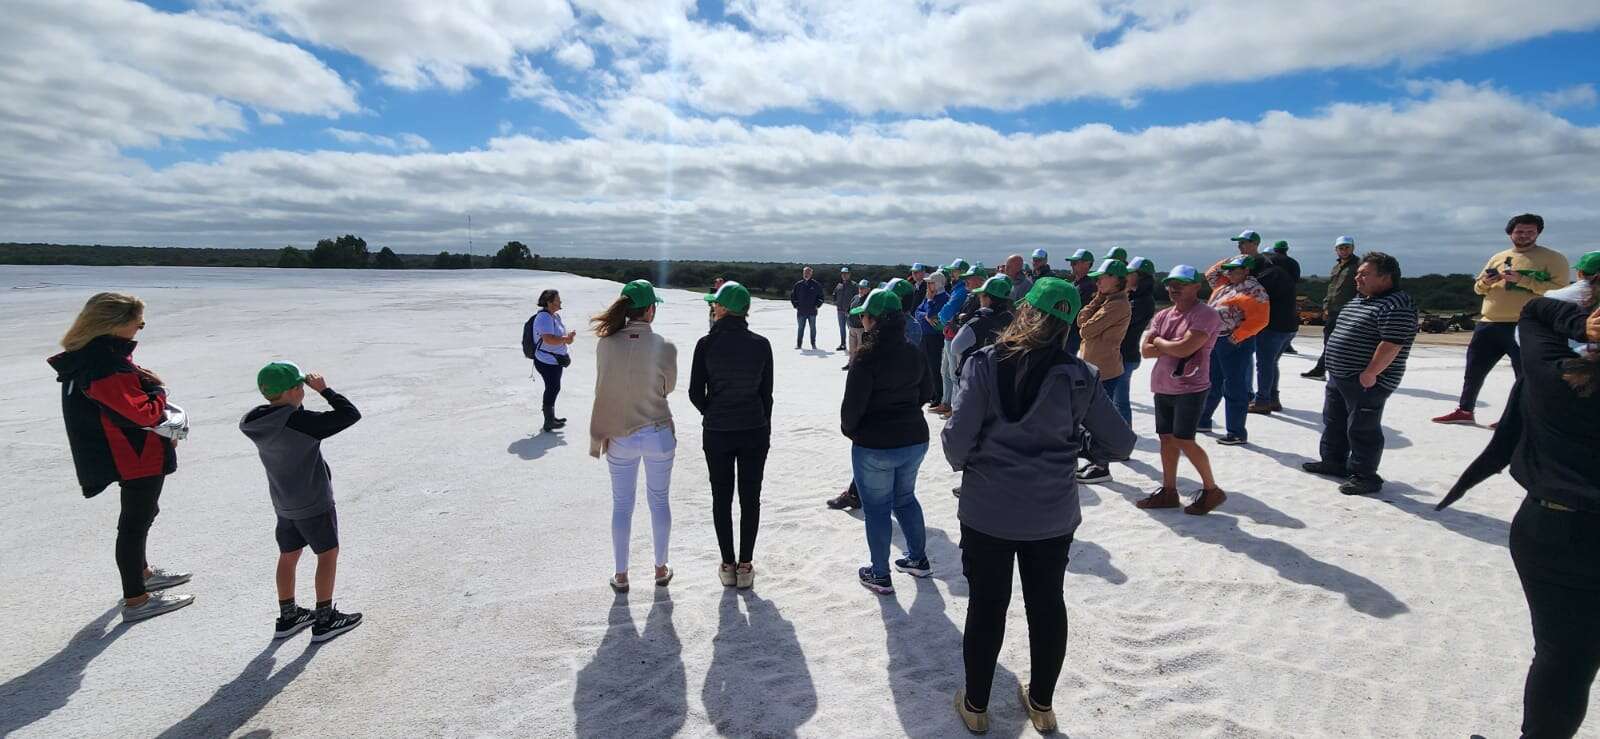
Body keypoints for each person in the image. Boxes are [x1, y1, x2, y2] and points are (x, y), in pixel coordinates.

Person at [941, 277, 1135, 734]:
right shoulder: (1081, 375)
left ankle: (976, 706)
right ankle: (1042, 705)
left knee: (987, 606)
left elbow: (956, 443)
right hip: (1051, 513)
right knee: (1047, 605)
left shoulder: (983, 363)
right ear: (1068, 324)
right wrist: (1078, 444)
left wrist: (976, 458)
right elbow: (1120, 443)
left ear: (1024, 311)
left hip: (988, 509)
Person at [1438, 295, 1600, 739]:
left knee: (1565, 658)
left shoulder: (1558, 377)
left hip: (1559, 530)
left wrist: (1582, 324)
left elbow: (1533, 311)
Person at [48, 292, 193, 622]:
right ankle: (137, 600)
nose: (140, 329)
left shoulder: (92, 355)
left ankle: (143, 574)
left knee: (143, 514)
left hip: (127, 450)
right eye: (138, 324)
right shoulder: (104, 366)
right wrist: (158, 392)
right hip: (133, 454)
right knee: (134, 524)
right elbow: (142, 414)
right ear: (115, 324)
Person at [241, 363, 364, 642]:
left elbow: (289, 417)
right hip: (313, 501)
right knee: (327, 553)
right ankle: (325, 620)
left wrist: (294, 402)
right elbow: (350, 414)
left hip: (284, 502)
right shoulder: (302, 423)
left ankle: (289, 616)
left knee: (288, 555)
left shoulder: (256, 420)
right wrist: (325, 390)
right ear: (293, 390)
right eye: (300, 387)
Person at [1433, 213, 1571, 425]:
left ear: (1538, 233)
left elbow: (1560, 291)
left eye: (1530, 232)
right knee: (1474, 370)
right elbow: (1478, 288)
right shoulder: (1498, 257)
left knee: (1523, 374)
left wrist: (1522, 280)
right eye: (1519, 231)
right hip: (1489, 322)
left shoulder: (1554, 258)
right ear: (1510, 233)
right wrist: (1487, 282)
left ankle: (1519, 417)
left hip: (1526, 324)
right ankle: (1465, 410)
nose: (1524, 235)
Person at [1300, 253, 1417, 495]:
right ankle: (1334, 461)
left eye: (1364, 274)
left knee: (1363, 428)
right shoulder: (1361, 299)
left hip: (1367, 380)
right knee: (1334, 421)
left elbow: (1391, 344)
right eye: (1357, 273)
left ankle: (1365, 475)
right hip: (1341, 376)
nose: (1357, 278)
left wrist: (1371, 372)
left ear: (1385, 277)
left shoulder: (1397, 305)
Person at [843, 288, 935, 594]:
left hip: (875, 444)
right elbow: (927, 393)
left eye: (865, 316)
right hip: (914, 438)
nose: (863, 320)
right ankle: (918, 559)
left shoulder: (865, 357)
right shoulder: (914, 351)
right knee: (905, 498)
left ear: (874, 320)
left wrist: (854, 432)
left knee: (877, 509)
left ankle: (880, 574)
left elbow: (851, 409)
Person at [589, 280, 679, 592]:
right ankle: (660, 568)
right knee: (659, 501)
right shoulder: (664, 346)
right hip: (657, 432)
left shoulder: (605, 344)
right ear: (650, 310)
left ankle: (621, 574)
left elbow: (604, 384)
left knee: (622, 505)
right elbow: (668, 387)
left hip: (620, 434)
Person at [690, 281, 774, 589]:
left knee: (721, 497)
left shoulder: (706, 344)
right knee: (750, 498)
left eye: (716, 303)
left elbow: (695, 392)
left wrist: (712, 411)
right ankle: (745, 566)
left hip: (718, 431)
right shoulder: (761, 344)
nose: (713, 307)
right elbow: (766, 395)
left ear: (725, 309)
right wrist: (763, 424)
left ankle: (728, 565)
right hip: (754, 429)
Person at [1137, 266, 1227, 515]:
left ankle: (1211, 490)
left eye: (1182, 283)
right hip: (1163, 385)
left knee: (1184, 439)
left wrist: (1160, 342)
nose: (1174, 288)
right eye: (1171, 283)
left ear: (1197, 286)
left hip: (1190, 386)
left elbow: (1185, 348)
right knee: (1166, 438)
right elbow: (1145, 351)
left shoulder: (1206, 315)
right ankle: (1169, 490)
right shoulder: (1163, 315)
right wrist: (1170, 345)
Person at [1214, 230, 1297, 415]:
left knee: (1264, 364)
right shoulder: (1271, 268)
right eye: (1239, 243)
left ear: (1255, 245)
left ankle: (1262, 401)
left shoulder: (1263, 272)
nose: (1240, 247)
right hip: (1287, 325)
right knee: (1270, 363)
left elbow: (1252, 298)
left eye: (1243, 243)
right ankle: (1272, 398)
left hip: (1273, 325)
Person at [1198, 255, 1270, 446]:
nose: (1228, 273)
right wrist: (1233, 258)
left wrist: (1237, 337)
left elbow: (1260, 319)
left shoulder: (1254, 290)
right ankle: (1203, 420)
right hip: (1217, 339)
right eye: (1228, 270)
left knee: (1234, 386)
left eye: (1234, 270)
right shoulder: (1225, 285)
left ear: (1246, 270)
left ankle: (1236, 432)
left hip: (1234, 342)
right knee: (1212, 381)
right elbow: (1211, 273)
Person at [1074, 259, 1133, 483]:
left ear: (1117, 280)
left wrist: (1095, 306)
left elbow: (1086, 330)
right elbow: (1081, 319)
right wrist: (1097, 298)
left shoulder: (1118, 305)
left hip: (1106, 368)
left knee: (1099, 420)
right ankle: (1096, 461)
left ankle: (1102, 466)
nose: (1097, 281)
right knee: (1089, 418)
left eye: (1102, 278)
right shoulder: (1106, 301)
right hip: (1095, 365)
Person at [936, 263, 989, 418]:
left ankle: (957, 410)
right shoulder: (970, 296)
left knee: (958, 377)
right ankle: (955, 408)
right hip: (960, 339)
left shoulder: (975, 298)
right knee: (954, 375)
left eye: (969, 278)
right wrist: (957, 320)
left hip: (968, 345)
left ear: (980, 280)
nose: (966, 281)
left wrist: (958, 320)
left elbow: (967, 319)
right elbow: (958, 315)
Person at [1303, 237, 1358, 379]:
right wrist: (1326, 307)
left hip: (1348, 311)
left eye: (1347, 247)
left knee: (1339, 343)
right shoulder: (1336, 267)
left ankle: (1323, 370)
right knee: (1329, 342)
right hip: (1333, 310)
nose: (1344, 250)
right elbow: (1331, 289)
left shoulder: (1358, 266)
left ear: (1353, 248)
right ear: (1336, 250)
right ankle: (1323, 370)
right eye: (1341, 248)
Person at [1116, 257, 1158, 424]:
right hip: (1123, 355)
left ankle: (1124, 432)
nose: (1125, 277)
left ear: (1140, 276)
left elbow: (1119, 320)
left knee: (1120, 401)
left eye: (1129, 274)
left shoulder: (1143, 301)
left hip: (1126, 356)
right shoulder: (1134, 298)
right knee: (1115, 399)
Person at [530, 289, 577, 433]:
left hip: (554, 360)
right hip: (546, 361)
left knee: (553, 387)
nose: (560, 301)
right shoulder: (544, 317)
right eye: (557, 299)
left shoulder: (555, 316)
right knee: (553, 388)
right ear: (549, 302)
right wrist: (565, 339)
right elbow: (548, 339)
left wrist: (568, 338)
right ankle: (549, 421)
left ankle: (551, 417)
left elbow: (559, 337)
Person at [951, 275, 1016, 374]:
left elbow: (955, 348)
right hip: (1002, 374)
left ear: (988, 298)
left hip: (977, 375)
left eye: (981, 295)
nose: (979, 298)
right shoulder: (1012, 319)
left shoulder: (977, 322)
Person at [915, 272, 951, 404]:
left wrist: (929, 304)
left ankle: (938, 395)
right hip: (925, 335)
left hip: (935, 337)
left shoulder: (944, 298)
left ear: (938, 284)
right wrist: (926, 316)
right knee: (926, 366)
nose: (928, 285)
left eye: (931, 283)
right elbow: (917, 312)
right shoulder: (929, 296)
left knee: (935, 366)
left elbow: (932, 316)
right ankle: (931, 392)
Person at [1271, 241, 1302, 355]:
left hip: (1271, 296)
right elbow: (1296, 279)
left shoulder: (1269, 261)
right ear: (1286, 249)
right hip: (1288, 297)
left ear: (1275, 249)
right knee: (1288, 322)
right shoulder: (1293, 262)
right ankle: (1286, 345)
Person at [1065, 249, 1097, 354]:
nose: (1071, 265)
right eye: (1071, 263)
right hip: (1067, 334)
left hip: (1075, 335)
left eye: (1074, 263)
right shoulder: (1074, 285)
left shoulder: (1090, 287)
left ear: (1087, 264)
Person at [789, 266, 825, 350]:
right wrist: (796, 305)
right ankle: (799, 344)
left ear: (811, 274)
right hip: (801, 311)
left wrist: (817, 305)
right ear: (803, 273)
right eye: (805, 272)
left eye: (808, 273)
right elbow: (793, 296)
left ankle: (813, 344)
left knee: (813, 328)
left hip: (812, 311)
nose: (806, 274)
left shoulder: (816, 285)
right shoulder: (798, 284)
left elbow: (821, 297)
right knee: (800, 328)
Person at [842, 278, 871, 371]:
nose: (861, 289)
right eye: (860, 287)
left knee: (860, 349)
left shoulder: (868, 300)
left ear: (868, 289)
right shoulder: (855, 297)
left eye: (863, 288)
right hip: (852, 327)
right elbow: (849, 309)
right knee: (852, 348)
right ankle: (851, 363)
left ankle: (858, 366)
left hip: (861, 328)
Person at [833, 267, 854, 351]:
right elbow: (834, 294)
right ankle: (843, 344)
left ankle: (853, 345)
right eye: (843, 274)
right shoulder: (839, 285)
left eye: (846, 273)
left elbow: (857, 298)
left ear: (849, 274)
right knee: (842, 329)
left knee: (851, 329)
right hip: (840, 311)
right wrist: (836, 303)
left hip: (850, 312)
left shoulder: (854, 285)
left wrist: (851, 309)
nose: (844, 275)